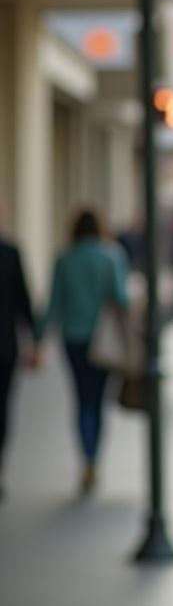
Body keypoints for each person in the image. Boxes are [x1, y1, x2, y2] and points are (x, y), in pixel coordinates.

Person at [35, 206, 130, 495]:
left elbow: (53, 304)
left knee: (82, 399)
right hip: (104, 341)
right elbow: (122, 298)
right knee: (98, 401)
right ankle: (94, 457)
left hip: (74, 338)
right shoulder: (112, 256)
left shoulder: (64, 260)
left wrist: (39, 341)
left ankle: (86, 457)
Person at [0, 211, 38, 500]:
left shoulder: (12, 253)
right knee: (2, 410)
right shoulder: (10, 253)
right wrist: (35, 341)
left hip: (6, 348)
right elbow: (24, 303)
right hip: (5, 347)